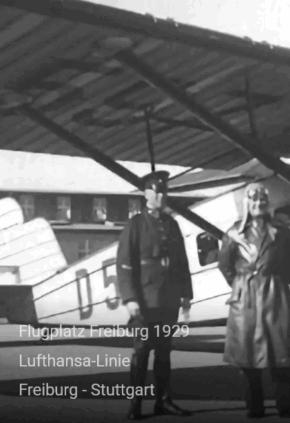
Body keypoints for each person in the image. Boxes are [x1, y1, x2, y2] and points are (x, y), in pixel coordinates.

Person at [218, 182, 290, 419]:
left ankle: (286, 405)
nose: (259, 204)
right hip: (245, 298)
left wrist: (273, 281)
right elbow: (225, 265)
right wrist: (241, 285)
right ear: (247, 203)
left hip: (274, 294)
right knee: (248, 355)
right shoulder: (233, 233)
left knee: (282, 352)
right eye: (254, 200)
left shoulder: (280, 231)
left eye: (263, 201)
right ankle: (254, 407)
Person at [116, 170, 193, 420]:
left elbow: (182, 262)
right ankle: (135, 404)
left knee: (164, 351)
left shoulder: (172, 224)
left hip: (168, 300)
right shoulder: (135, 224)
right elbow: (125, 265)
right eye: (155, 191)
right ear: (146, 194)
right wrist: (130, 299)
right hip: (145, 300)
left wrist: (186, 295)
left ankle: (163, 400)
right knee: (141, 352)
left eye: (164, 191)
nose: (160, 195)